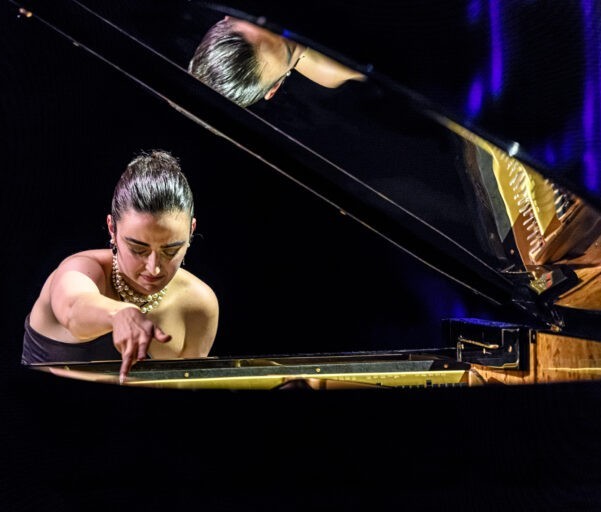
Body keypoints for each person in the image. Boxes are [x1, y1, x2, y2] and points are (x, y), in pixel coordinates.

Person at [22, 150, 219, 383]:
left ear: (191, 231)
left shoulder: (198, 304)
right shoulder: (80, 270)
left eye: (170, 251)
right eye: (138, 249)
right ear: (112, 229)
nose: (153, 268)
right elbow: (73, 310)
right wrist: (119, 314)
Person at [188, 16, 366, 107]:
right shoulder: (343, 65)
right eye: (290, 47)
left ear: (227, 16)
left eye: (260, 20)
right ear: (274, 87)